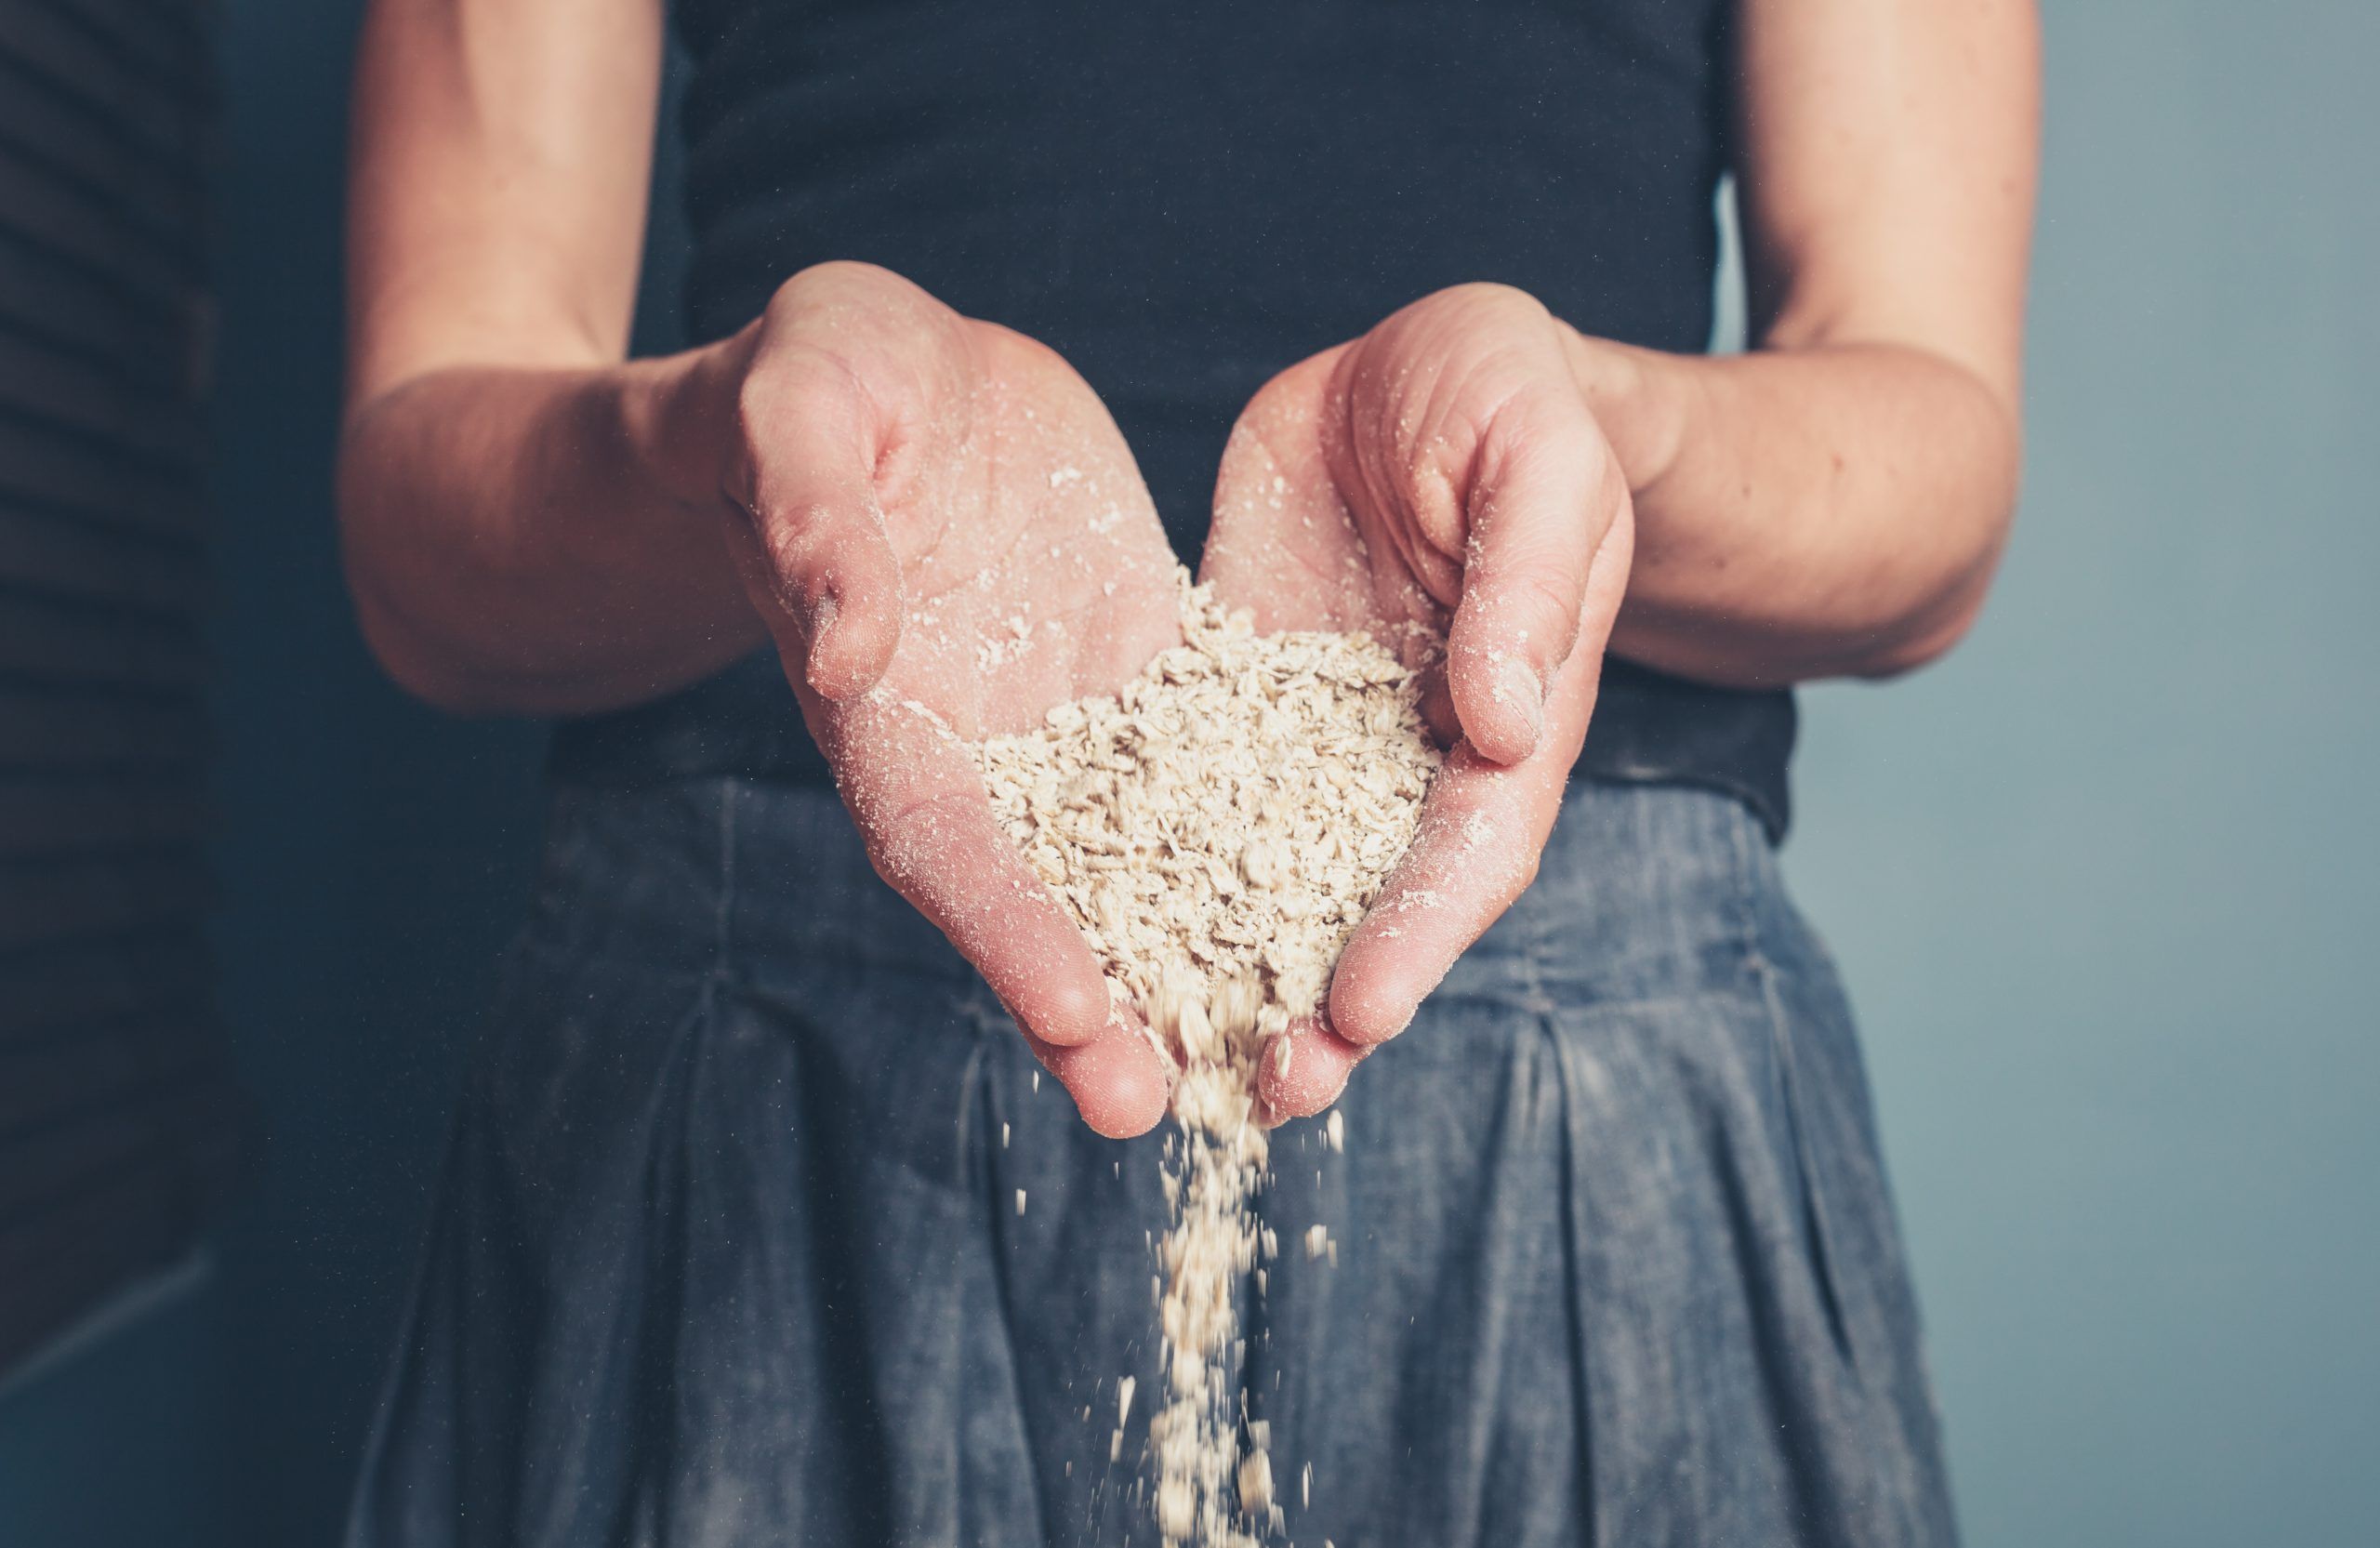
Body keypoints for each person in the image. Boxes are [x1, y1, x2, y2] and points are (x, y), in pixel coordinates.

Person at [337, 0, 2035, 1541]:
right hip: (751, 1045)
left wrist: (1586, 427)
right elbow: (421, 548)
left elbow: (1931, 480)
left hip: (1580, 1065)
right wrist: (736, 447)